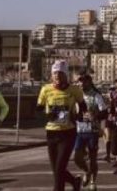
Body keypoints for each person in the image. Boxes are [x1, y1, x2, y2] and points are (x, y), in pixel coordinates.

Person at [36, 60, 85, 191]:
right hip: (51, 133)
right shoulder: (46, 89)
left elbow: (83, 106)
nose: (57, 77)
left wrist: (78, 116)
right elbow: (38, 110)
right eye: (54, 74)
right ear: (51, 76)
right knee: (57, 170)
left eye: (60, 74)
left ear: (65, 75)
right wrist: (47, 116)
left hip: (68, 133)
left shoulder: (74, 90)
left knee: (59, 169)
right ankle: (75, 181)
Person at [75, 74, 107, 191]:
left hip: (92, 130)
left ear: (89, 82)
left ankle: (93, 181)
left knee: (93, 158)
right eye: (80, 81)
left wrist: (95, 115)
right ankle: (86, 171)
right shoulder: (76, 95)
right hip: (79, 130)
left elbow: (105, 112)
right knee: (77, 158)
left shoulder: (96, 95)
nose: (81, 84)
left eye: (84, 81)